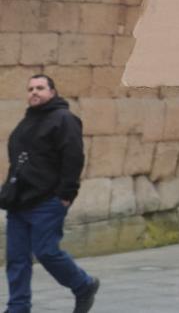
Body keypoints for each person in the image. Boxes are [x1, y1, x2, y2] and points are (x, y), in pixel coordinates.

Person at [4, 74, 98, 313]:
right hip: (19, 202)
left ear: (52, 92)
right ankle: (18, 307)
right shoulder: (27, 122)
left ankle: (83, 285)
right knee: (16, 259)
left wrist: (66, 194)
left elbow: (74, 157)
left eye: (40, 88)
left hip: (47, 201)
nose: (34, 92)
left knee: (46, 251)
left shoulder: (64, 119)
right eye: (30, 88)